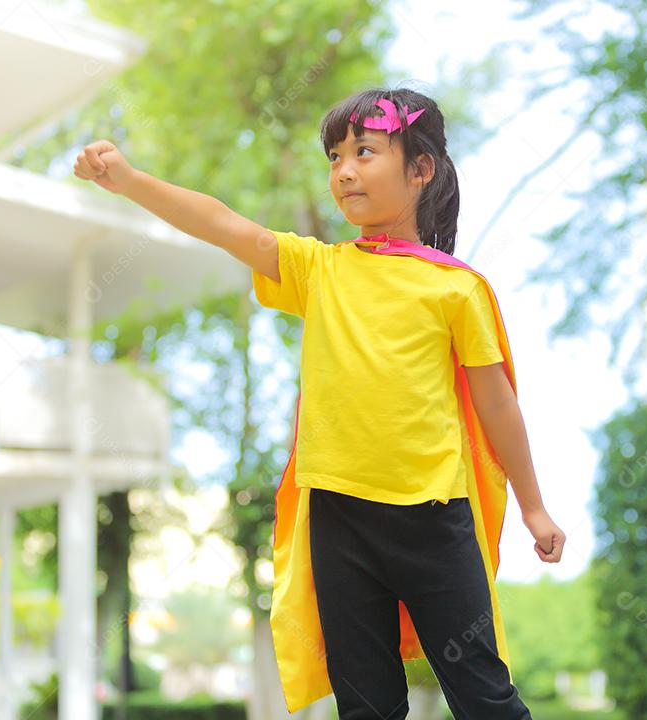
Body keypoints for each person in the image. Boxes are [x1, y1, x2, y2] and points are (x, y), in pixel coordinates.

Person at [74, 85, 566, 720]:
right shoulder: (320, 270)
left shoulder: (456, 289)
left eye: (365, 151)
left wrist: (533, 507)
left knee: (485, 698)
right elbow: (223, 224)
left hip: (432, 518)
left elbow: (497, 406)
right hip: (338, 515)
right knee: (364, 706)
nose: (344, 171)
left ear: (421, 169)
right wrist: (129, 181)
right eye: (335, 157)